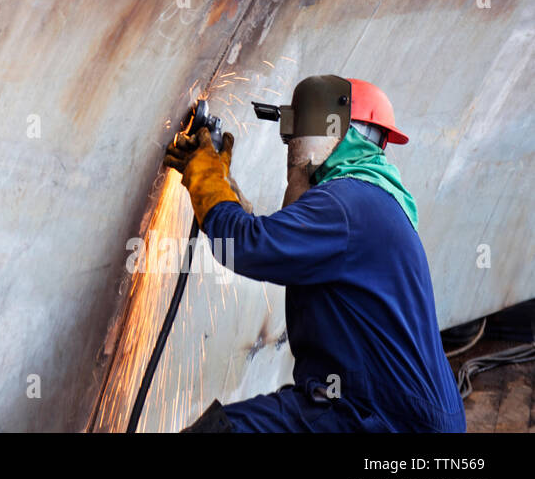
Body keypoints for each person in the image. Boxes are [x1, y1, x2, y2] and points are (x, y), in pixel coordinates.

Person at [165, 74, 465, 432]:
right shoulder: (372, 199)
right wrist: (218, 185)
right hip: (393, 409)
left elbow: (248, 246)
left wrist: (207, 179)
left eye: (294, 134)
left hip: (380, 415)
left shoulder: (345, 205)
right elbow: (276, 238)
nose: (290, 144)